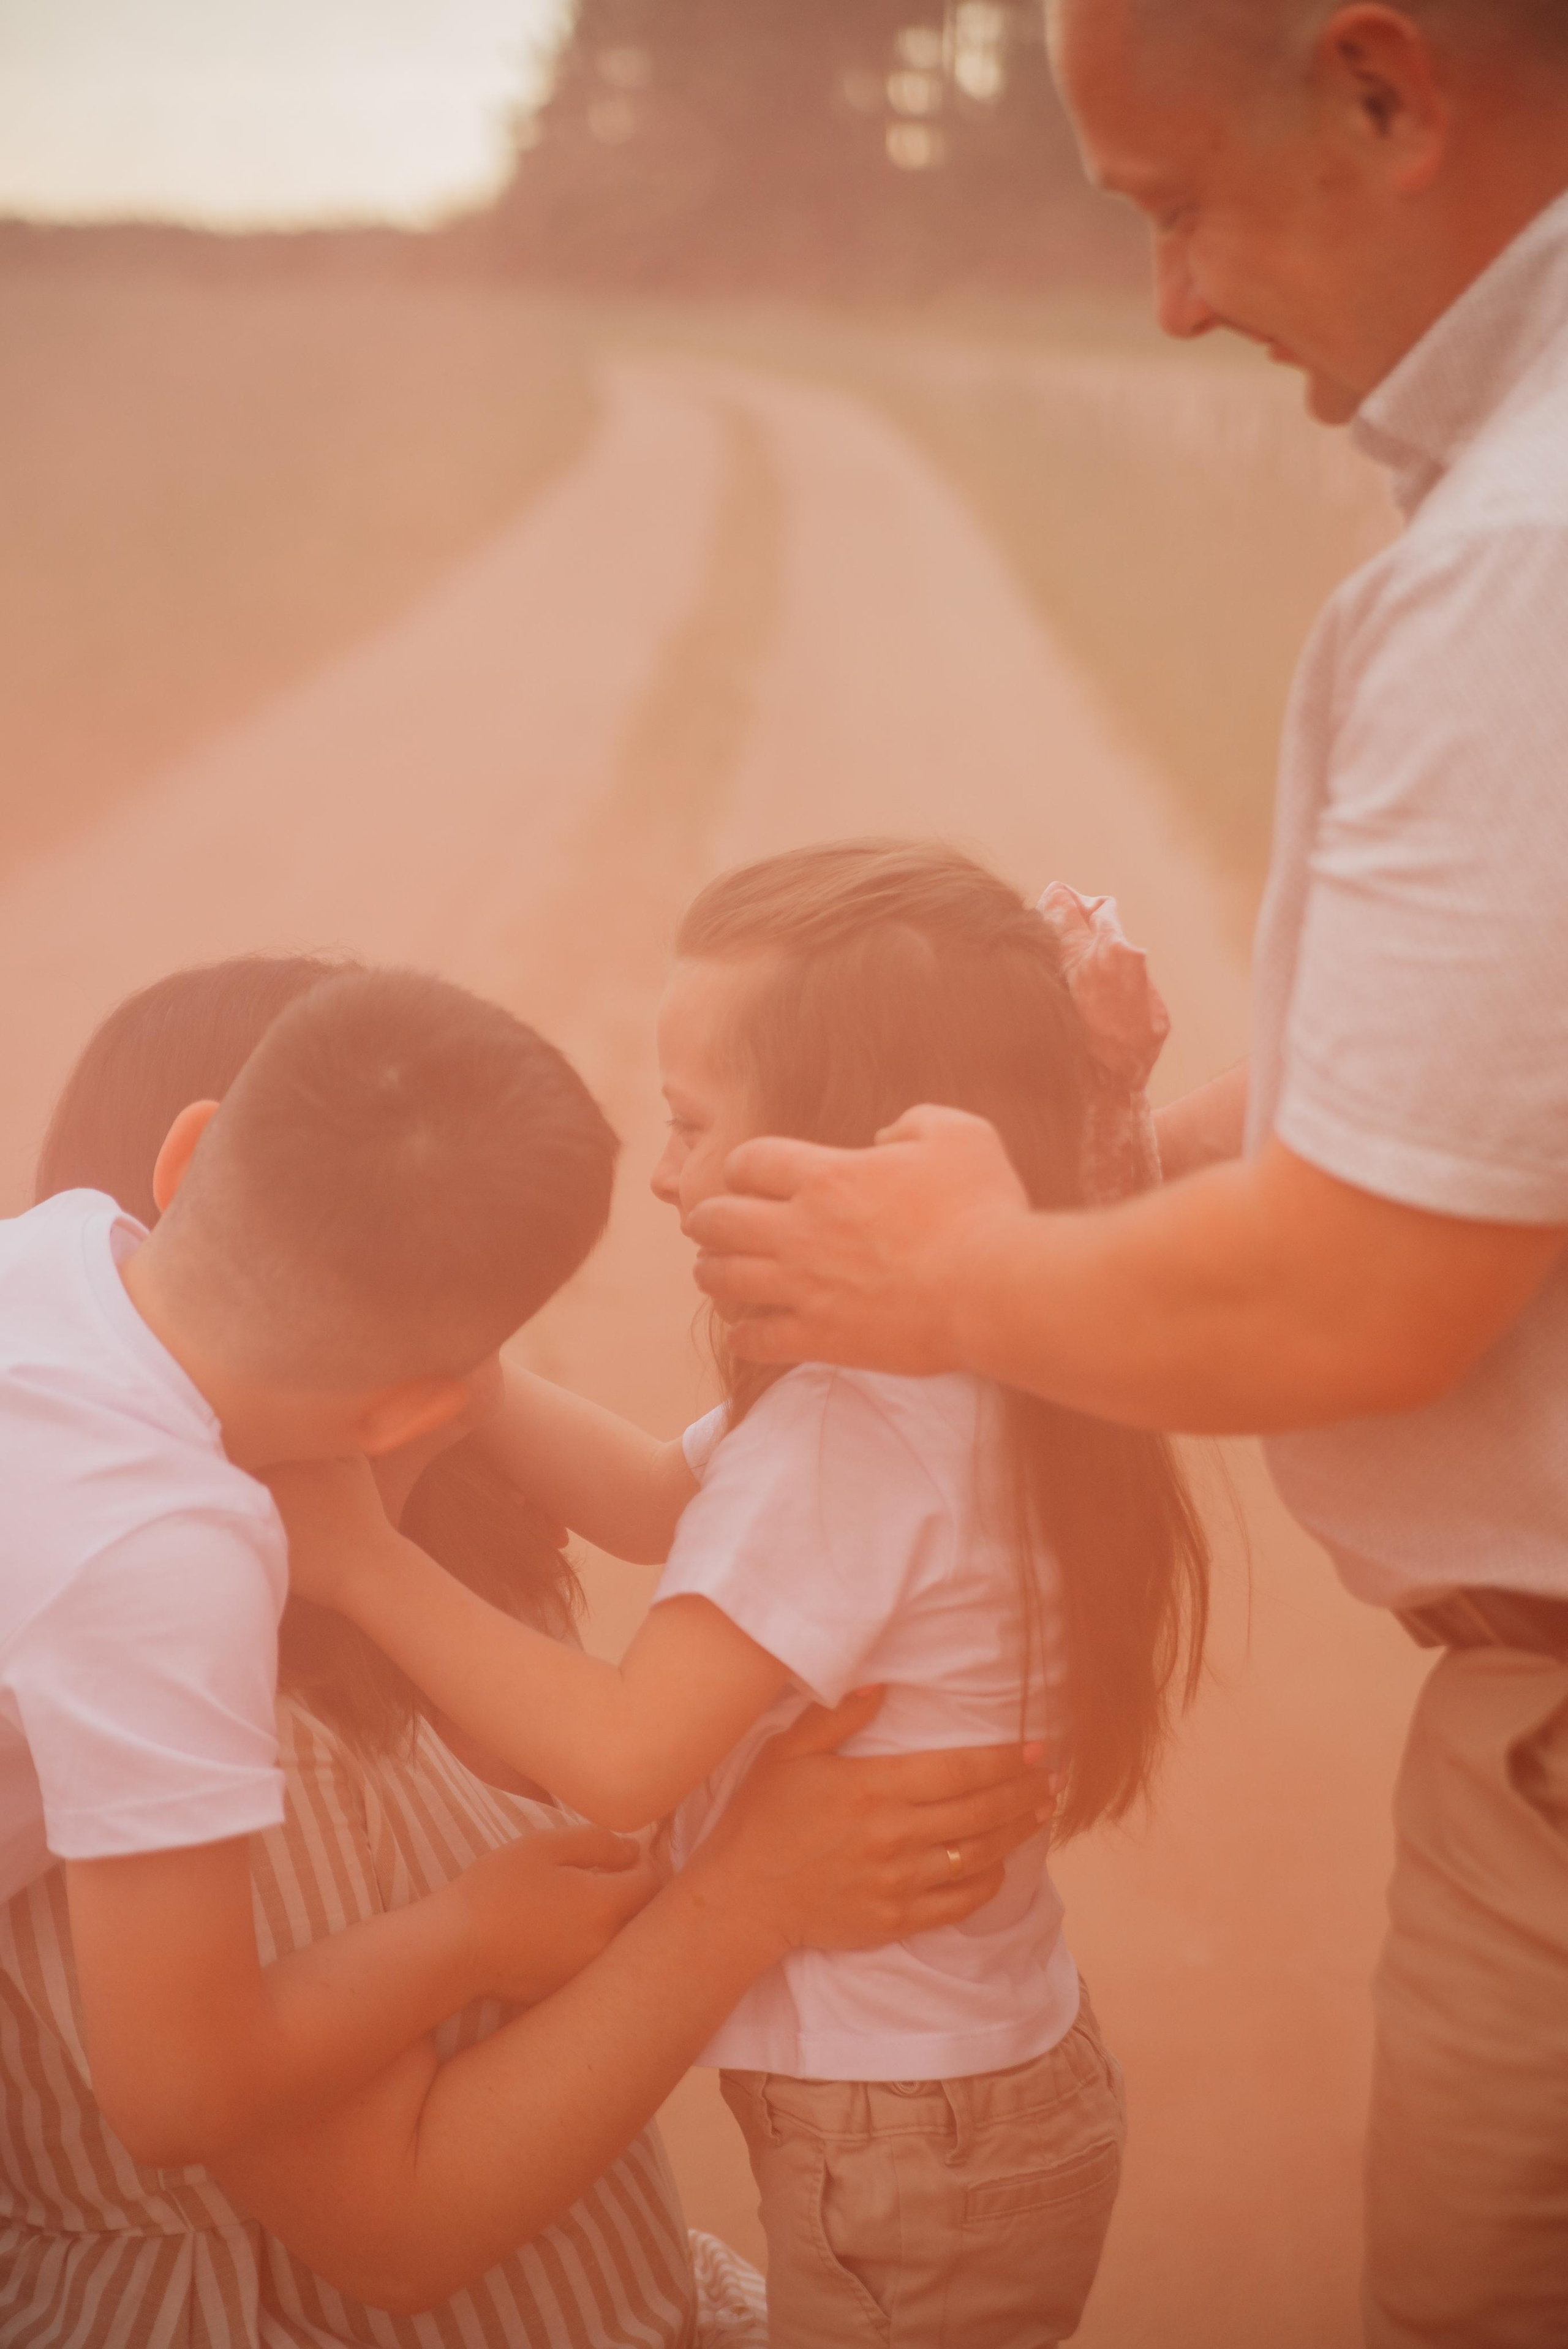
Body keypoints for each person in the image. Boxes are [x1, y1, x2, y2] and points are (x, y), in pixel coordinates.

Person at [678, 7, 1568, 2345]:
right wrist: (1129, 1165)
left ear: (1386, 91)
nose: (1169, 299)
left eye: (1176, 206)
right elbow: (1508, 1095)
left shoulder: (1521, 560)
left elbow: (1368, 1303)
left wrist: (963, 1272)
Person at [1, 953, 1055, 2349]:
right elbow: (328, 2183)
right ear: (406, 1402)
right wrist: (734, 1899)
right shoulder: (193, 1633)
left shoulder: (70, 1274)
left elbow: (657, 1500)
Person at [274, 844, 1207, 2349]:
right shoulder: (958, 1359)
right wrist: (475, 1374)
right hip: (976, 2091)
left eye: (692, 1122)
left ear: (839, 1157)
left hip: (902, 2144)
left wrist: (359, 1559)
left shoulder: (848, 1429)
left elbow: (628, 1753)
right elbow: (664, 1501)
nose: (663, 1170)